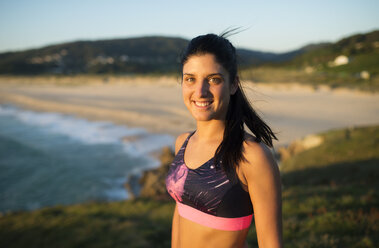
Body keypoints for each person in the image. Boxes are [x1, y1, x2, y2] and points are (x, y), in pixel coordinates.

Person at [165, 33, 283, 248]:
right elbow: (180, 211)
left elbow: (270, 244)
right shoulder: (182, 143)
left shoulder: (251, 156)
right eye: (190, 79)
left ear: (233, 85)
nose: (200, 92)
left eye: (213, 79)